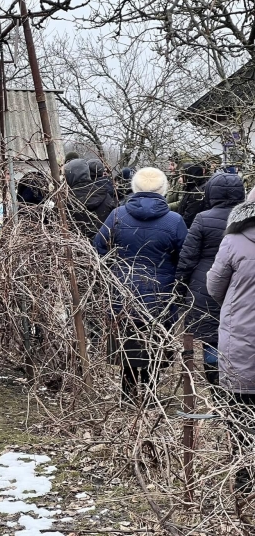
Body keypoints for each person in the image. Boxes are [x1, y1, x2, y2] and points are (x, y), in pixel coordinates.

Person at [94, 167, 187, 404]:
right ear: (163, 189)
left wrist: (115, 271)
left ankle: (127, 393)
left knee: (128, 340)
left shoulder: (117, 215)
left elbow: (99, 248)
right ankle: (151, 393)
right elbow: (185, 257)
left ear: (134, 187)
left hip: (123, 290)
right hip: (160, 292)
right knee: (156, 342)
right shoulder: (174, 221)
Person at [176, 172, 245, 385]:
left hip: (205, 286)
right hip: (241, 285)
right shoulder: (248, 219)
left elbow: (188, 256)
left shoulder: (203, 218)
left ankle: (216, 384)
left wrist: (179, 287)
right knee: (242, 336)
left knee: (211, 339)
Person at [207, 192, 255, 492]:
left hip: (242, 335)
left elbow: (214, 285)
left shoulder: (234, 241)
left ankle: (243, 475)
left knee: (240, 409)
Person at [64, 159, 116, 238]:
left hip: (77, 247)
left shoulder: (65, 201)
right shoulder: (105, 195)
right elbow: (116, 224)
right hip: (105, 245)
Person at [177, 161, 209, 230]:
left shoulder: (197, 194)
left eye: (182, 177)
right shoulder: (191, 189)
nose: (179, 180)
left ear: (190, 176)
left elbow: (188, 220)